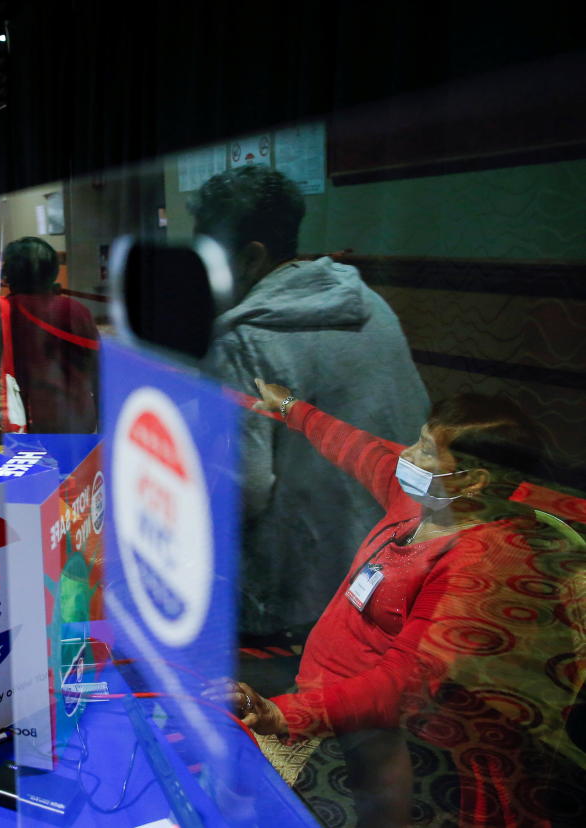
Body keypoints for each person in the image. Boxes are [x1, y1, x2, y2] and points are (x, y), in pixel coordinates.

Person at [217, 380, 583, 827]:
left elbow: (402, 685)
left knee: (374, 810)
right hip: (318, 689)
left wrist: (284, 713)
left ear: (473, 480)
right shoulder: (418, 503)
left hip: (377, 722)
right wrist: (292, 407)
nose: (407, 455)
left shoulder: (473, 566)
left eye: (426, 450)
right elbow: (360, 449)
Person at [191, 165, 429, 645]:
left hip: (304, 593)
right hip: (397, 556)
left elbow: (244, 492)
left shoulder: (246, 338)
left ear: (250, 258)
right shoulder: (369, 303)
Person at [0, 236, 100, 434]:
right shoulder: (75, 309)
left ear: (11, 273)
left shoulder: (7, 309)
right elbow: (97, 365)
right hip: (78, 414)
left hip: (26, 415)